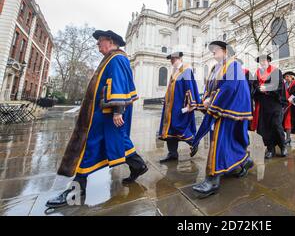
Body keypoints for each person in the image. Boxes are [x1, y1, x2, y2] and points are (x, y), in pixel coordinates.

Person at [46, 30, 147, 209]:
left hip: (107, 114)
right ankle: (138, 165)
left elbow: (118, 84)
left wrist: (117, 111)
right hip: (101, 113)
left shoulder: (117, 58)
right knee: (116, 142)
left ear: (110, 41)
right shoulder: (112, 58)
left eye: (100, 41)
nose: (97, 45)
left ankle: (76, 188)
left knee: (90, 146)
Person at [190, 41, 254, 197]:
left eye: (215, 50)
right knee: (225, 142)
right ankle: (245, 161)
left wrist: (212, 101)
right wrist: (205, 98)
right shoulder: (215, 68)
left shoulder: (233, 65)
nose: (212, 52)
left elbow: (230, 88)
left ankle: (212, 179)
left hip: (228, 109)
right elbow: (210, 86)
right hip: (220, 107)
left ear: (225, 51)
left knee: (218, 142)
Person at [158, 52, 202, 163]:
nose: (171, 61)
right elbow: (171, 88)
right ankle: (172, 153)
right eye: (171, 59)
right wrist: (166, 98)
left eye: (173, 59)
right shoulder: (175, 71)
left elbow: (189, 87)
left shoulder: (186, 70)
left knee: (179, 127)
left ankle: (194, 142)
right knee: (170, 130)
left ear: (179, 58)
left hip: (180, 106)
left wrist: (190, 105)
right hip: (171, 106)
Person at [252, 54, 288, 159]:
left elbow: (279, 85)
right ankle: (270, 149)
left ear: (268, 61)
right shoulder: (257, 73)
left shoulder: (276, 71)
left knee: (276, 125)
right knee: (265, 128)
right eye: (260, 61)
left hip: (275, 103)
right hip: (263, 104)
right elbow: (254, 87)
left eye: (264, 61)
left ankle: (283, 146)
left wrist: (267, 88)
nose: (262, 62)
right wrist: (258, 89)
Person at [282, 72, 295, 145]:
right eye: (285, 77)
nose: (286, 78)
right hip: (286, 105)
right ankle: (288, 138)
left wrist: (293, 100)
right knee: (286, 121)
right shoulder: (284, 85)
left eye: (288, 76)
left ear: (291, 77)